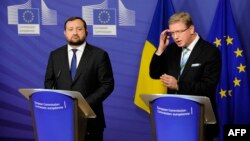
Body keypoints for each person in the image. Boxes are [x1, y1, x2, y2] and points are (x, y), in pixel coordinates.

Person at [149, 12, 221, 141]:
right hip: (172, 118)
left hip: (198, 121)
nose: (175, 37)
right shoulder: (171, 50)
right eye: (172, 33)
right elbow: (154, 74)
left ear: (191, 29)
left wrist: (178, 85)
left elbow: (208, 87)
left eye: (179, 32)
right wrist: (160, 49)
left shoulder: (210, 52)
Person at [44, 16, 114, 141]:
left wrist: (83, 104)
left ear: (86, 32)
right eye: (70, 29)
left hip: (91, 122)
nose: (75, 33)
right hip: (62, 118)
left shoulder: (99, 55)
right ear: (65, 33)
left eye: (79, 29)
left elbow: (107, 84)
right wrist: (58, 103)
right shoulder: (55, 55)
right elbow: (49, 82)